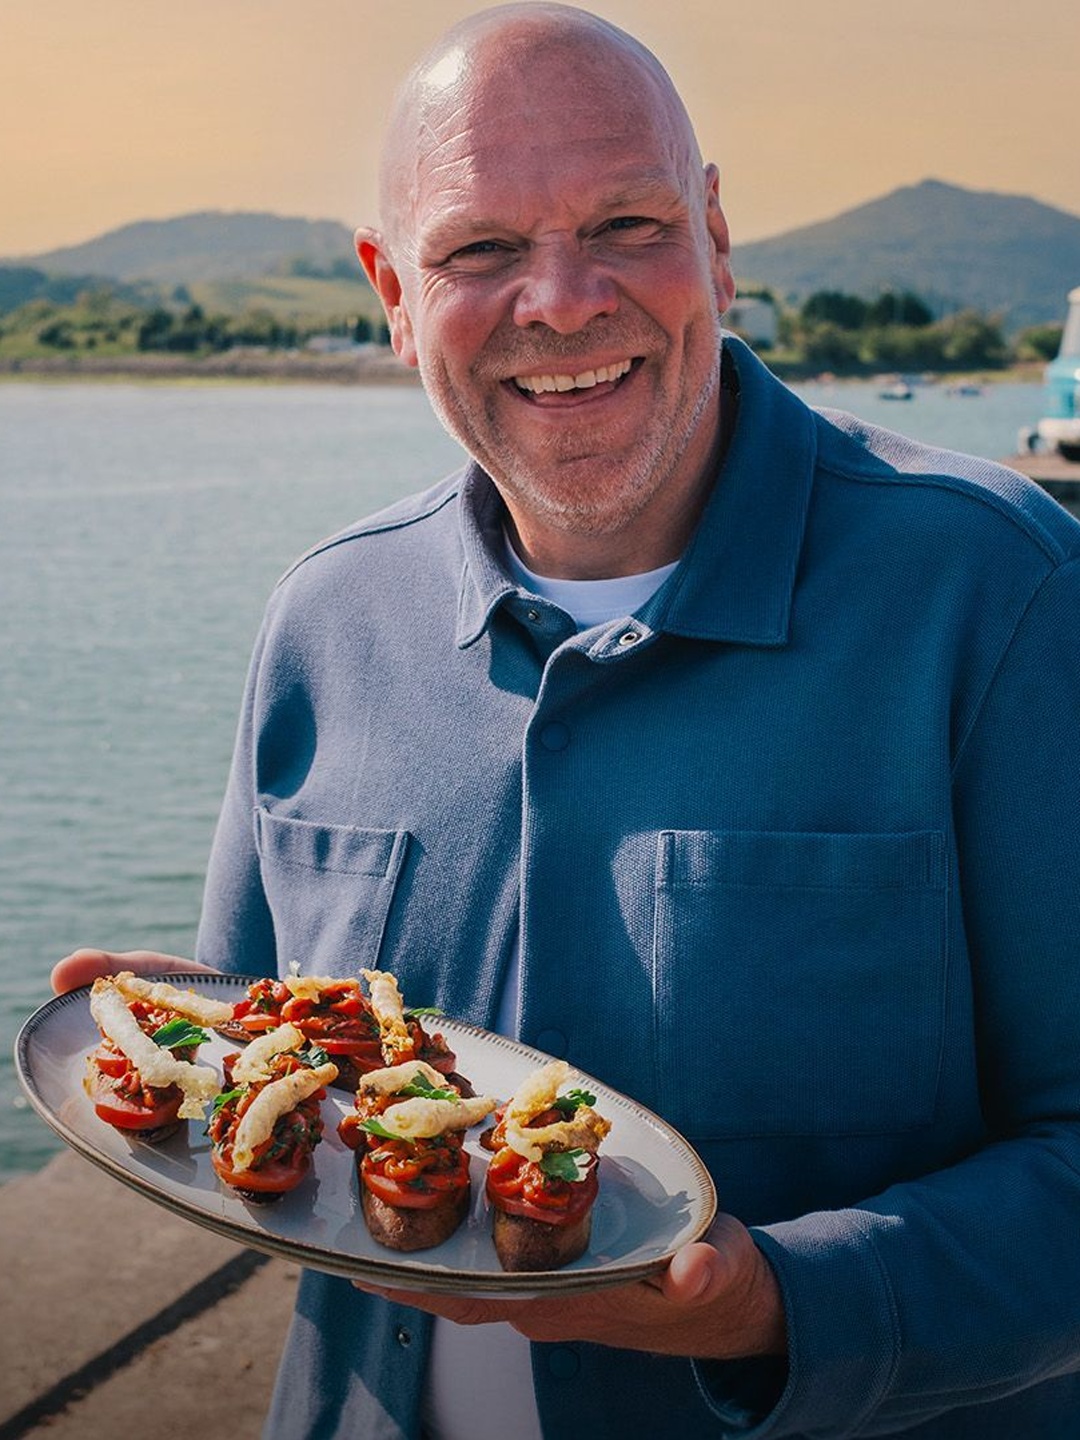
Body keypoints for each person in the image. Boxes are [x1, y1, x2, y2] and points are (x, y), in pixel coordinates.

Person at [53, 4, 1080, 1436]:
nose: (561, 299)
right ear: (392, 291)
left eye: (627, 224)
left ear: (714, 237)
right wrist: (189, 1048)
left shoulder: (1002, 592)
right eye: (480, 250)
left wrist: (776, 1304)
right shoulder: (325, 620)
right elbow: (262, 1067)